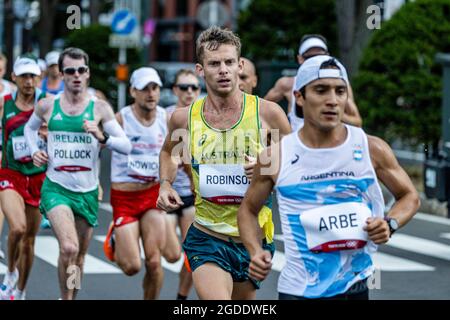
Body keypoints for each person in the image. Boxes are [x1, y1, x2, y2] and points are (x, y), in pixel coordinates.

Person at [237, 55, 420, 300]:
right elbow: (248, 209)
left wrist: (390, 223)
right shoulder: (277, 156)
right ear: (299, 97)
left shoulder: (371, 148)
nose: (332, 101)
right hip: (299, 290)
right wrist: (255, 251)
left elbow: (409, 196)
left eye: (340, 91)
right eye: (321, 90)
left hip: (354, 286)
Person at [157, 26, 291, 300]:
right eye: (214, 63)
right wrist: (165, 184)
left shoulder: (268, 115)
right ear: (200, 69)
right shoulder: (184, 119)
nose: (223, 70)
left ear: (239, 65)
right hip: (207, 236)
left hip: (252, 239)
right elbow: (170, 152)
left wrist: (270, 165)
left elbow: (296, 159)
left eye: (229, 62)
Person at [24, 47, 132, 300]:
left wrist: (102, 135)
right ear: (62, 74)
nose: (76, 75)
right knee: (69, 247)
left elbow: (126, 145)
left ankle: (71, 296)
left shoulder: (100, 109)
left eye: (81, 70)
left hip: (88, 191)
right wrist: (33, 151)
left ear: (88, 74)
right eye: (70, 71)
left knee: (80, 256)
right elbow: (29, 130)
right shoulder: (47, 106)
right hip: (56, 188)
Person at [103, 67, 179, 300]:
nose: (151, 94)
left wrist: (175, 173)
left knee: (155, 262)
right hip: (124, 198)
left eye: (155, 88)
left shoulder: (166, 119)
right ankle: (115, 235)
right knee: (132, 267)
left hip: (152, 196)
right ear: (133, 91)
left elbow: (176, 154)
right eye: (145, 89)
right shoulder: (120, 119)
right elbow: (97, 146)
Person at [0, 55, 48, 300]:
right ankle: (10, 273)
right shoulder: (4, 104)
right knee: (17, 227)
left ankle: (20, 290)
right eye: (24, 76)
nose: (29, 81)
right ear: (14, 78)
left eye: (33, 76)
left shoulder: (48, 104)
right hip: (11, 174)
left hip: (39, 178)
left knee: (29, 240)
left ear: (39, 78)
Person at [264, 34, 361, 130]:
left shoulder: (340, 83)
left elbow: (357, 122)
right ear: (300, 59)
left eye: (320, 56)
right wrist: (277, 134)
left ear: (327, 56)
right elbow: (261, 110)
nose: (316, 60)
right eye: (320, 91)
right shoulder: (287, 83)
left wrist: (332, 113)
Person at [165, 69, 201, 300]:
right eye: (184, 87)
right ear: (175, 90)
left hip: (192, 193)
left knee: (192, 253)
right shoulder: (165, 116)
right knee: (171, 254)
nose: (189, 92)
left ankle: (181, 298)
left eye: (194, 88)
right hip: (167, 195)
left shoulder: (205, 117)